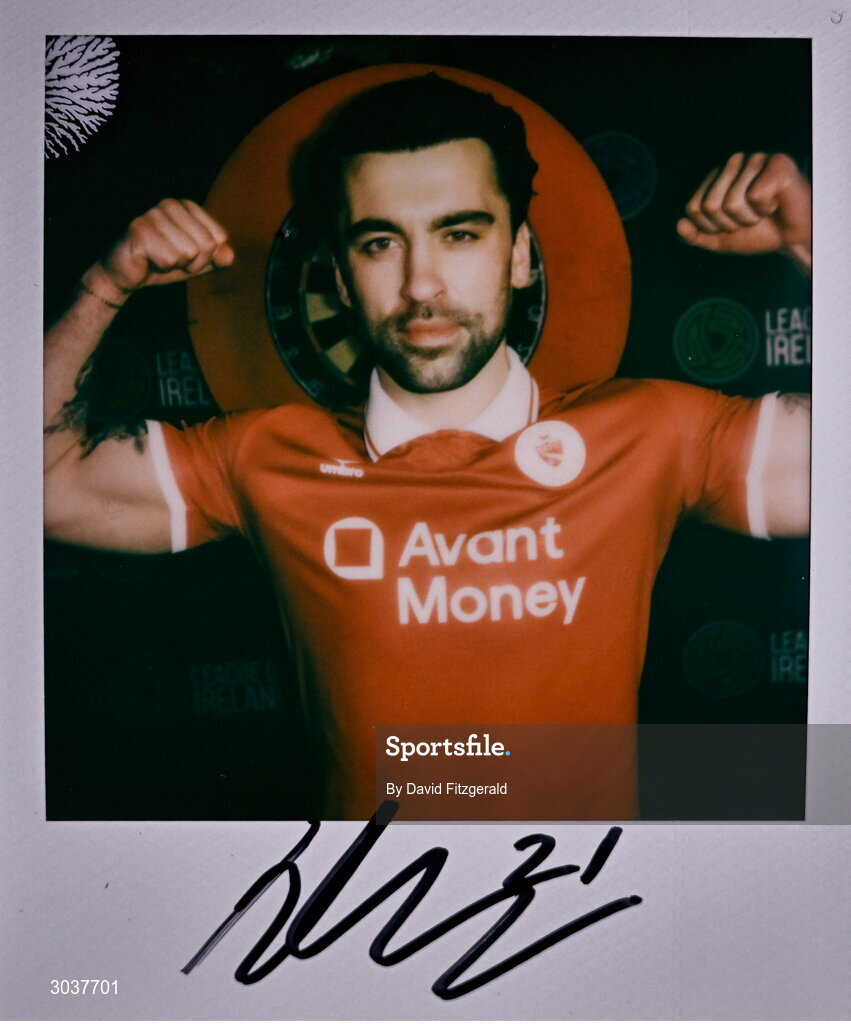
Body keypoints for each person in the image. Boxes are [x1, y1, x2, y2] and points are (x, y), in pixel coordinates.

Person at [44, 75, 811, 819]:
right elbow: (38, 485)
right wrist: (104, 285)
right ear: (339, 277)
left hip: (583, 923)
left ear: (518, 255)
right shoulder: (264, 457)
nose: (421, 284)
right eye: (379, 243)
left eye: (460, 234)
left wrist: (815, 243)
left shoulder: (653, 433)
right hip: (358, 928)